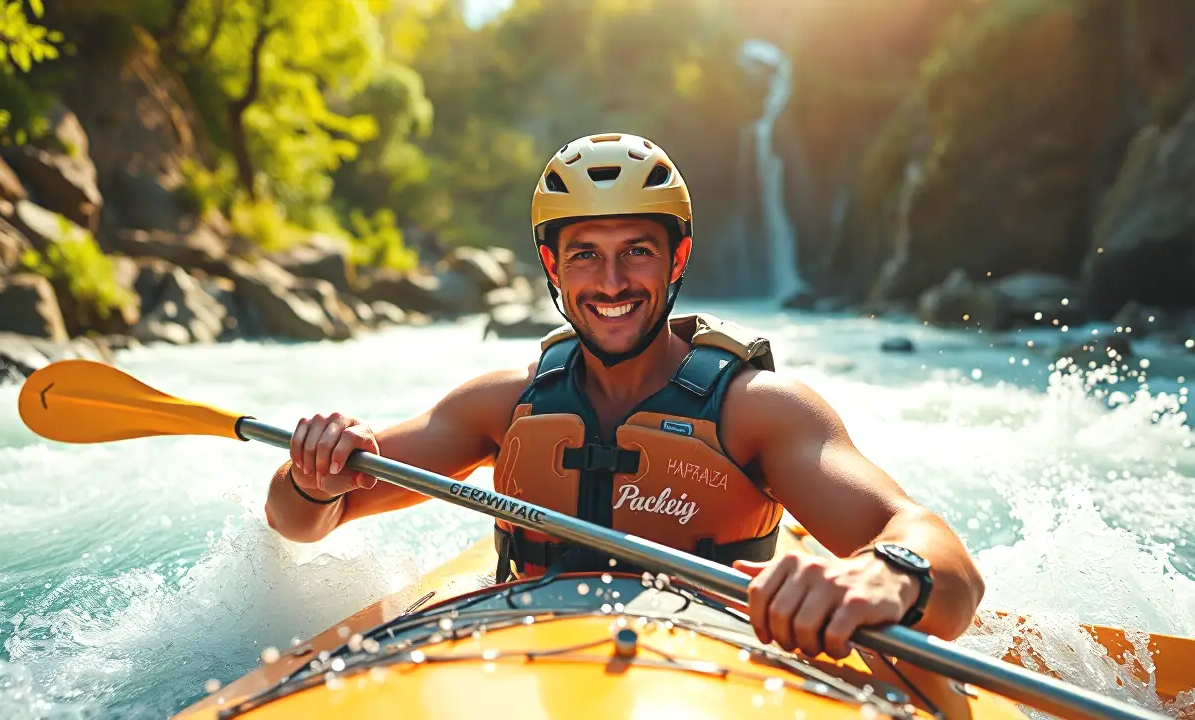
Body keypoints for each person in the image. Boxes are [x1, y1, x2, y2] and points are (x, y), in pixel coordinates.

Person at [263, 133, 985, 660]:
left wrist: (887, 574)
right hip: (525, 652)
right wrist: (311, 473)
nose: (611, 283)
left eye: (636, 250)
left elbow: (944, 563)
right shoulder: (503, 405)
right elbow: (301, 521)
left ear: (677, 258)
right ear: (552, 266)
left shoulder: (758, 410)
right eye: (586, 255)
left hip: (708, 660)